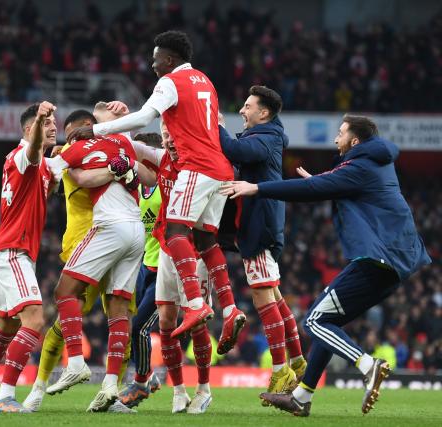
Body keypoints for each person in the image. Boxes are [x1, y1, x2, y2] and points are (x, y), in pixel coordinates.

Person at [223, 115, 431, 416]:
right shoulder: (375, 162)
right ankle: (302, 396)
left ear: (355, 141)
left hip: (378, 260)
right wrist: (319, 182)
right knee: (328, 319)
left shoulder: (360, 166)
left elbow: (317, 190)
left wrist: (257, 188)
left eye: (341, 133)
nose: (336, 139)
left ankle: (367, 364)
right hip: (391, 262)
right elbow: (332, 185)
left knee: (314, 321)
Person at [67, 30, 245, 346]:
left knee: (174, 231)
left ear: (170, 58)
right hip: (220, 169)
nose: (153, 66)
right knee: (205, 239)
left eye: (156, 59)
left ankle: (194, 304)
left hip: (195, 166)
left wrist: (93, 130)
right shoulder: (205, 81)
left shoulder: (170, 82)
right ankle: (230, 309)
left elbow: (144, 119)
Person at [23, 106, 139, 414]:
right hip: (85, 240)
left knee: (119, 315)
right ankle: (37, 389)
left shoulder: (103, 145)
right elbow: (79, 176)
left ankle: (109, 392)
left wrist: (118, 136)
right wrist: (119, 165)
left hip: (109, 232)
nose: (70, 139)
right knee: (67, 322)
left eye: (73, 133)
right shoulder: (80, 151)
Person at [0, 102, 57, 413]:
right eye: (46, 124)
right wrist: (39, 122)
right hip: (13, 251)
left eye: (53, 122)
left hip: (12, 251)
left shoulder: (42, 164)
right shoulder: (22, 156)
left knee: (5, 325)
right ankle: (5, 396)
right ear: (30, 130)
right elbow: (31, 155)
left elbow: (47, 179)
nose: (53, 126)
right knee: (34, 320)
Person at [218, 86, 307, 399]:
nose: (242, 111)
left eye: (247, 106)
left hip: (259, 228)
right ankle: (296, 362)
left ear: (264, 112)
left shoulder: (266, 138)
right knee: (273, 295)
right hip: (259, 225)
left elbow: (238, 152)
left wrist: (215, 125)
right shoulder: (266, 136)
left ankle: (281, 368)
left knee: (261, 296)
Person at [129, 120, 213, 414]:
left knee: (197, 320)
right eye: (166, 136)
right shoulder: (162, 162)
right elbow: (133, 150)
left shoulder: (201, 165)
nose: (171, 141)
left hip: (196, 252)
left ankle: (204, 388)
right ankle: (178, 390)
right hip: (166, 247)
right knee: (165, 319)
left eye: (175, 135)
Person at [118, 132, 163, 409]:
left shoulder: (166, 185)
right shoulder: (137, 186)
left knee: (140, 328)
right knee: (131, 327)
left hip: (166, 269)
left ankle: (142, 383)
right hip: (142, 267)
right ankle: (149, 378)